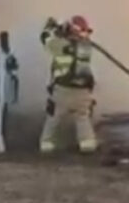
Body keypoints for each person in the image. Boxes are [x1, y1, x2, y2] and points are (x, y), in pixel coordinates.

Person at [38, 15, 98, 155]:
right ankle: (87, 145)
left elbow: (45, 39)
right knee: (83, 118)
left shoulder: (60, 45)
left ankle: (46, 145)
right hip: (83, 92)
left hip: (63, 90)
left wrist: (50, 27)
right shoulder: (86, 46)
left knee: (54, 117)